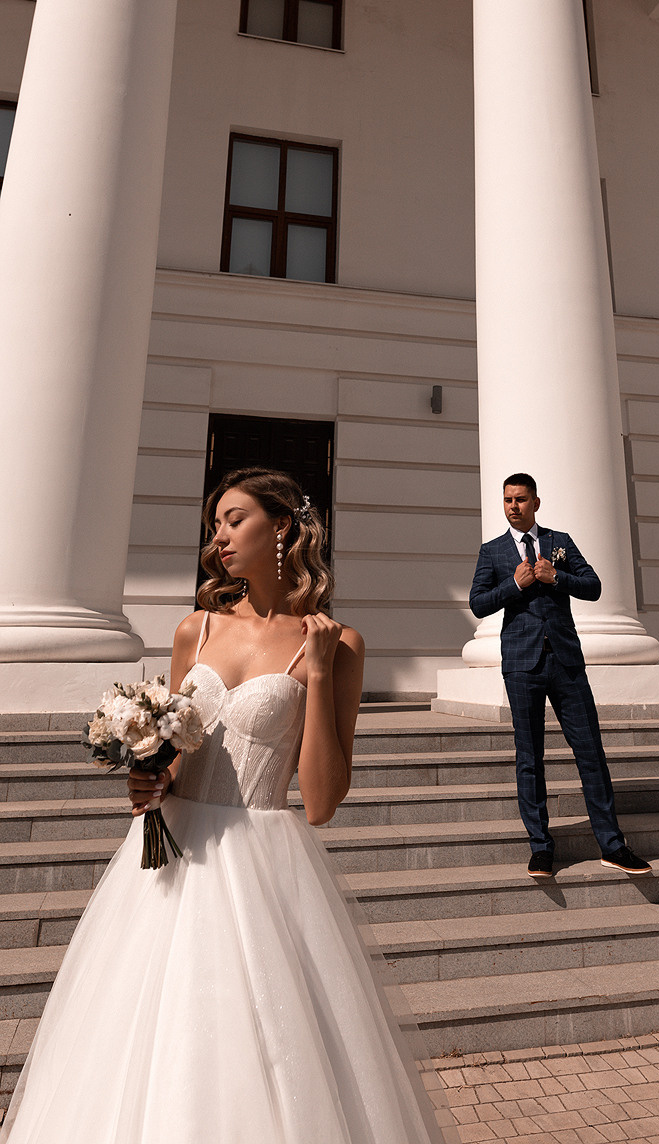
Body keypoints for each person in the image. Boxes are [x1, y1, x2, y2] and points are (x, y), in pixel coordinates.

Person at [2, 467, 454, 1144]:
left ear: (283, 527)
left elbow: (322, 803)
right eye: (215, 523)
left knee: (265, 1050)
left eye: (234, 519)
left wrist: (319, 671)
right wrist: (147, 780)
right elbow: (175, 753)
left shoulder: (338, 644)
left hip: (263, 865)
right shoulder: (197, 629)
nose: (219, 536)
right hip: (171, 858)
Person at [468, 472, 651, 880]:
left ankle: (613, 845)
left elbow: (593, 587)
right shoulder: (492, 551)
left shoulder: (559, 541)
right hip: (522, 665)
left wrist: (557, 578)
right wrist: (514, 585)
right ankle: (540, 848)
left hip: (566, 663)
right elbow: (477, 603)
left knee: (591, 753)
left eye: (520, 499)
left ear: (535, 502)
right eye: (507, 500)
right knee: (529, 758)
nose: (513, 507)